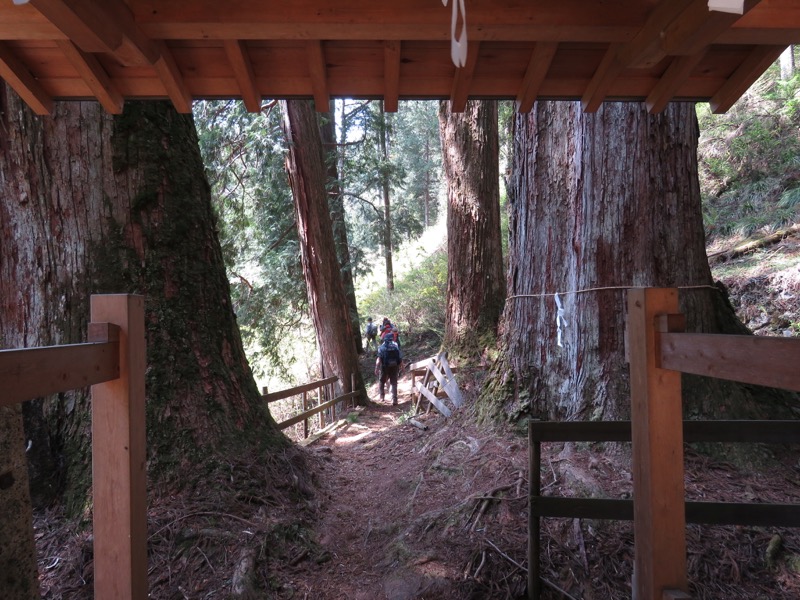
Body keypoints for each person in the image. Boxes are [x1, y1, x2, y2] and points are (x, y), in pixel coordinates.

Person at [375, 332, 403, 405]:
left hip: (384, 367)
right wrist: (402, 367)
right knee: (394, 382)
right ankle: (394, 399)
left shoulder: (381, 347)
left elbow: (379, 359)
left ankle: (382, 397)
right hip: (395, 366)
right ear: (392, 338)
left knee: (382, 381)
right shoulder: (395, 345)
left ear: (384, 339)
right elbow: (400, 358)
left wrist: (377, 368)